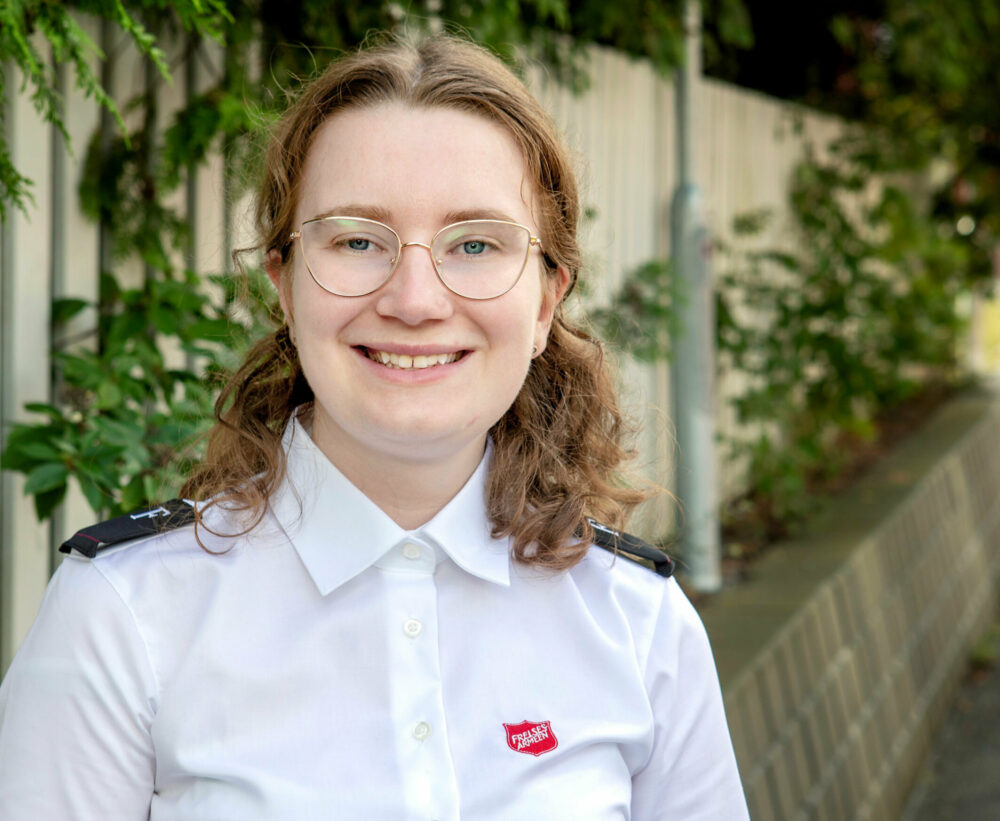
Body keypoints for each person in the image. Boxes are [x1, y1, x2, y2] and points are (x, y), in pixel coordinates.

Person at [0, 34, 749, 820]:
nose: (415, 299)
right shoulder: (123, 614)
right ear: (285, 285)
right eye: (358, 239)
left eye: (476, 243)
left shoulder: (641, 626)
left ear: (544, 302)